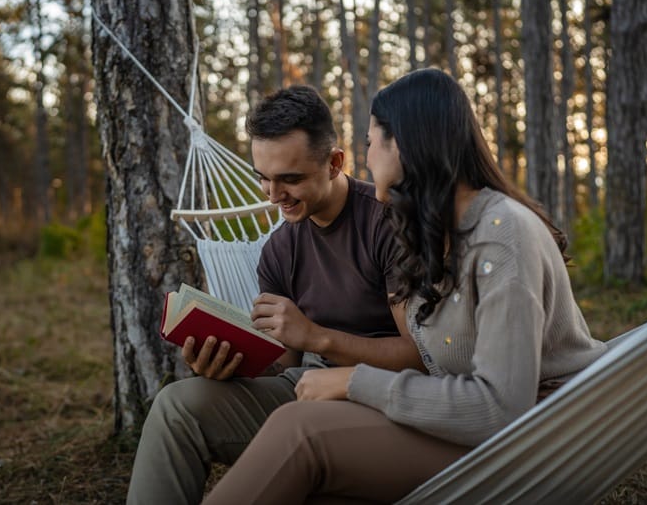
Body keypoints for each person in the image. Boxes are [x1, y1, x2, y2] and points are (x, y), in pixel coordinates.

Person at [201, 68, 609, 504]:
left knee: (297, 429)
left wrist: (356, 381)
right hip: (457, 426)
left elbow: (500, 410)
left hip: (532, 443)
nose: (367, 156)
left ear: (406, 146)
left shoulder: (502, 236)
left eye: (371, 142)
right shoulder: (444, 234)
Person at [126, 85, 424, 504]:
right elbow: (285, 365)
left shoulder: (385, 224)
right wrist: (227, 363)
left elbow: (419, 355)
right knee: (178, 406)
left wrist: (317, 337)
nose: (273, 195)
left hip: (382, 397)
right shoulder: (279, 250)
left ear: (334, 163)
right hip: (305, 389)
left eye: (291, 179)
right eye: (263, 178)